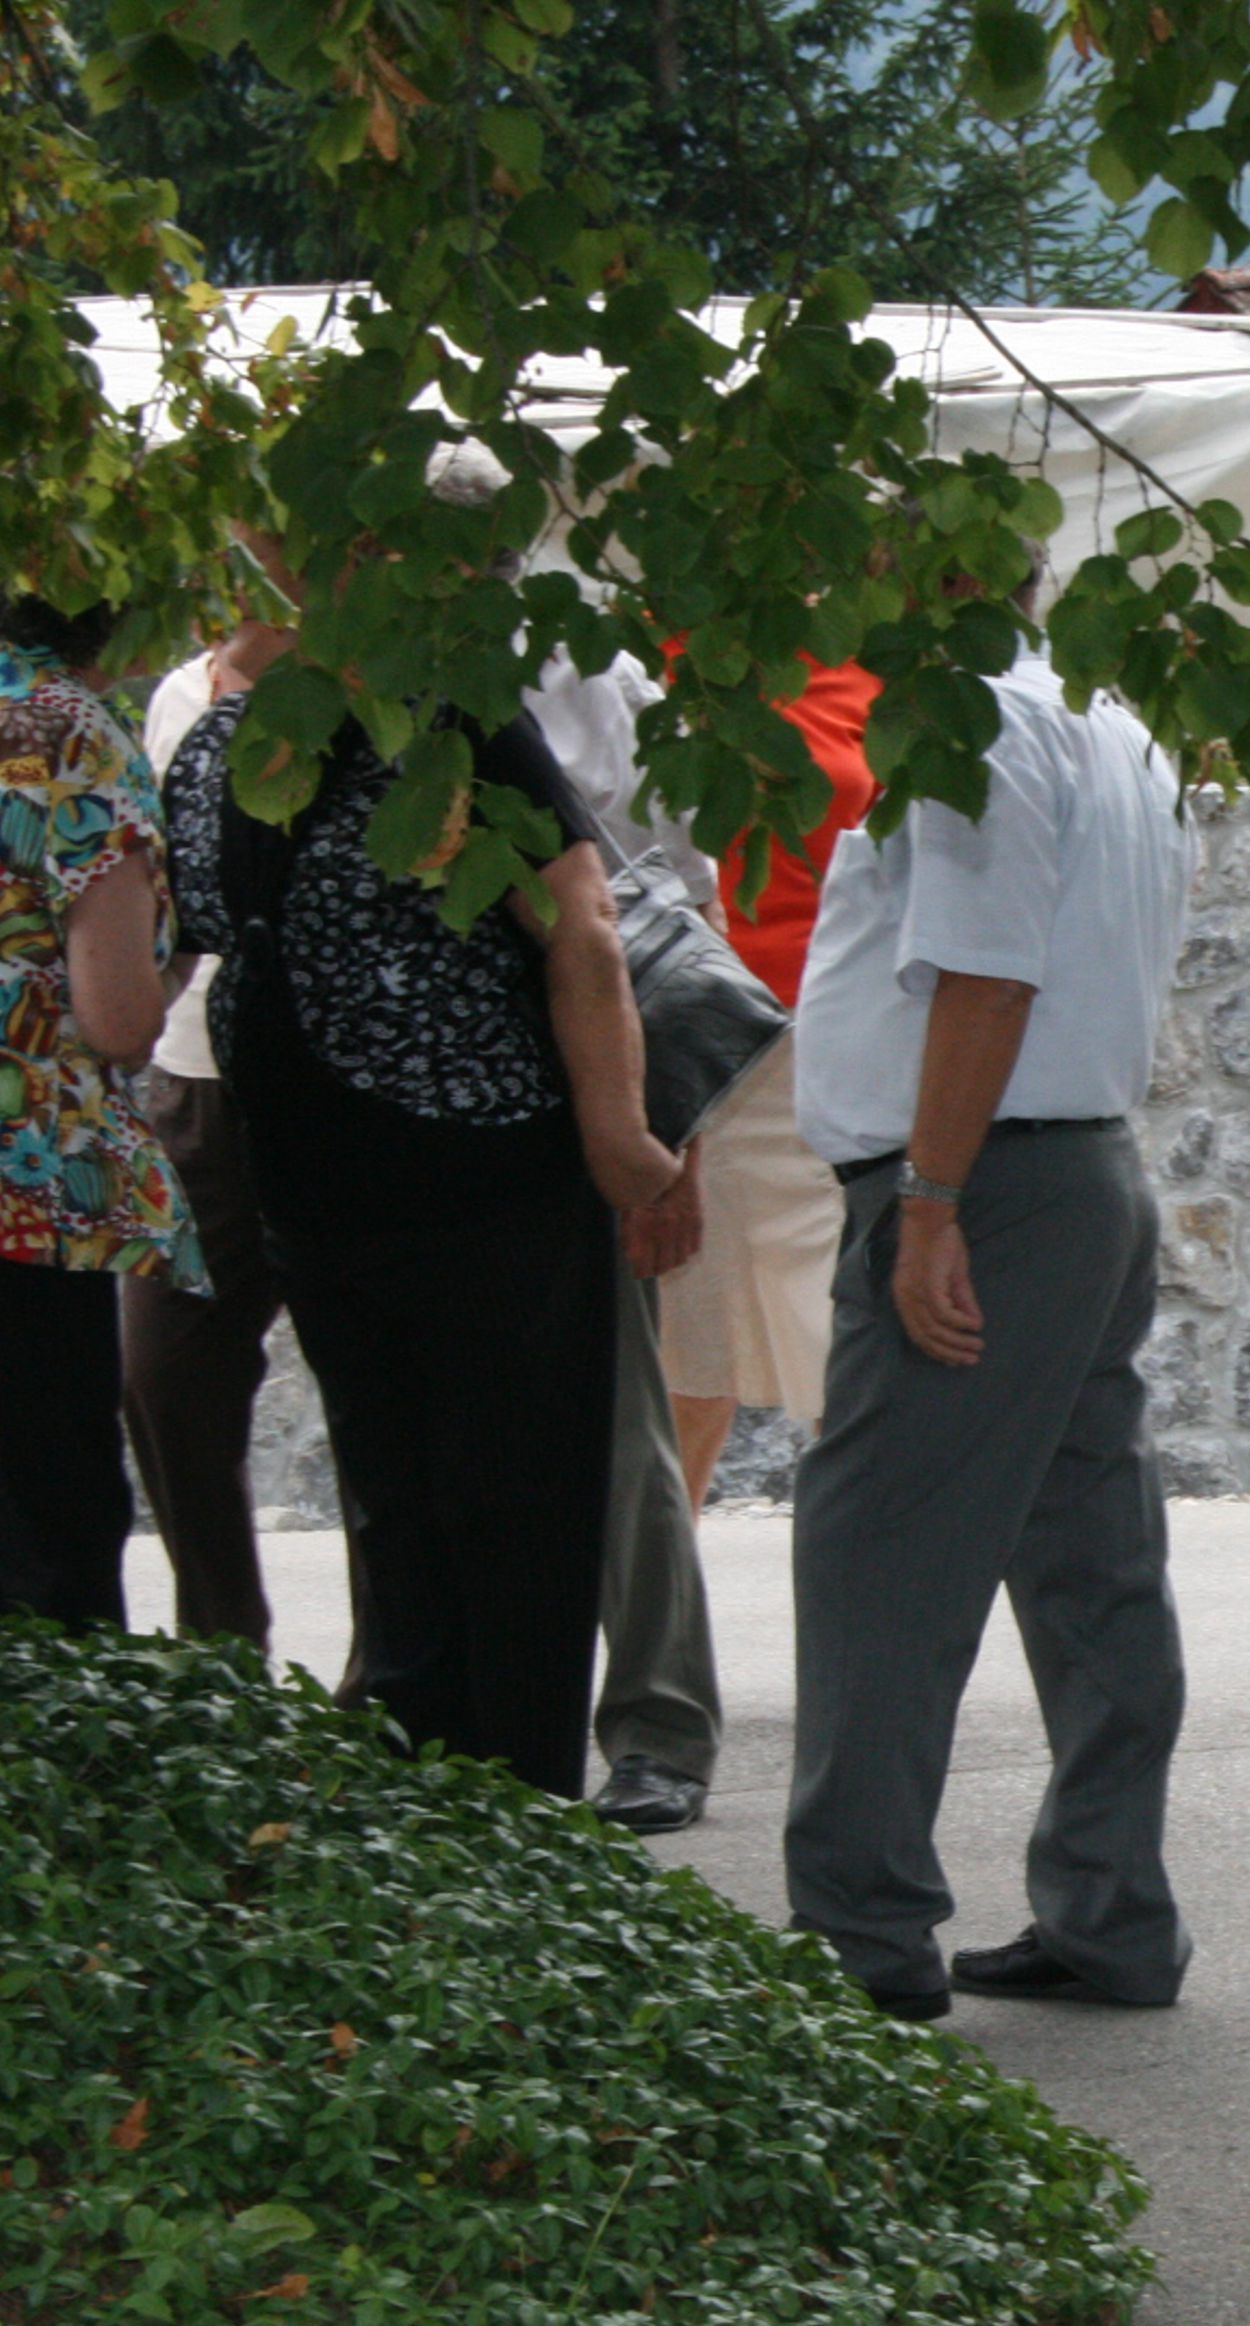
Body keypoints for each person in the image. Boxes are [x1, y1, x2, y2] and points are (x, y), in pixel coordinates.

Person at [164, 536, 688, 1799]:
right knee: (482, 1502)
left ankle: (455, 1795)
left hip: (372, 1168)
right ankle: (483, 1795)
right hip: (431, 1173)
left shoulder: (259, 737)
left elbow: (582, 925)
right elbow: (581, 920)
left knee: (420, 1500)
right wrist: (624, 1140)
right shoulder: (418, 726)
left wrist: (619, 1137)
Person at [779, 609, 1197, 2022]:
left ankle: (860, 1933)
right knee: (1092, 1555)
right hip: (1076, 1169)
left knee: (883, 1556)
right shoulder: (1108, 718)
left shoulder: (976, 722)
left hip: (989, 1181)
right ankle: (1111, 1910)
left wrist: (931, 1200)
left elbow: (987, 972)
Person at [0, 583, 195, 1626]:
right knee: (52, 1516)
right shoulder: (78, 736)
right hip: (25, 1173)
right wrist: (178, 961)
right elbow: (118, 1017)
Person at [527, 640, 730, 1835]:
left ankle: (659, 1725)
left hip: (590, 1100)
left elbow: (681, 923)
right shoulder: (350, 675)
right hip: (431, 1106)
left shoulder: (597, 679)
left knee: (621, 1422)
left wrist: (674, 1149)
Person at [124, 609, 297, 1647]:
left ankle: (393, 1682)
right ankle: (224, 1650)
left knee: (373, 1378)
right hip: (194, 1076)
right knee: (167, 1376)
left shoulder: (368, 696)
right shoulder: (178, 696)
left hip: (332, 1081)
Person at [661, 654, 868, 1507]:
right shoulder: (650, 659)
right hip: (689, 1035)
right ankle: (651, 1583)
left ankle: (865, 1578)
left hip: (826, 1040)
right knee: (685, 1353)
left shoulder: (866, 666)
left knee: (838, 1350)